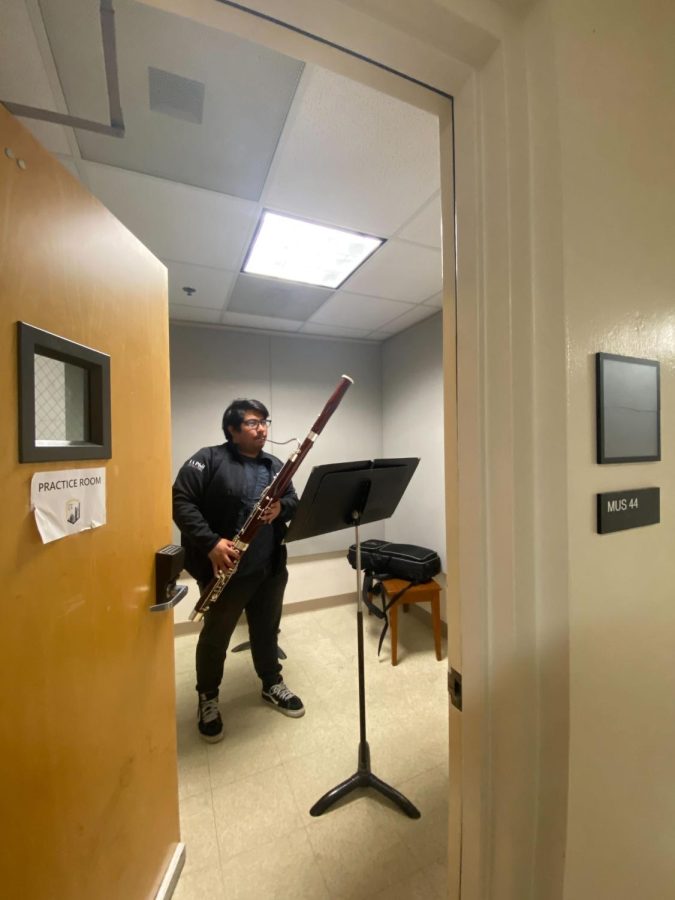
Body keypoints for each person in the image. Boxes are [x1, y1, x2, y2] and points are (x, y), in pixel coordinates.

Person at [172, 398, 303, 743]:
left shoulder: (276, 464)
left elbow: (293, 500)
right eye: (252, 422)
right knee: (216, 636)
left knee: (267, 630)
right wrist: (211, 543)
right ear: (232, 430)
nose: (262, 428)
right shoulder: (208, 458)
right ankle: (208, 697)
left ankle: (271, 682)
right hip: (225, 570)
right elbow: (180, 501)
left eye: (264, 422)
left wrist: (280, 507)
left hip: (269, 567)